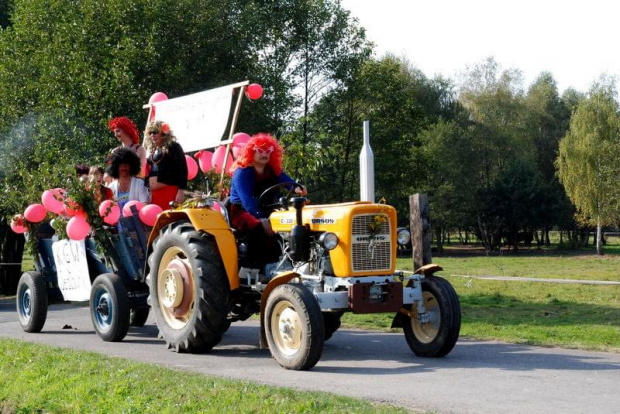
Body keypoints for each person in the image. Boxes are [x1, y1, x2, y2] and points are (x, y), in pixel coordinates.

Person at [229, 133, 306, 266]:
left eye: (268, 151)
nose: (264, 154)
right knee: (258, 228)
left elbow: (288, 182)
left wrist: (298, 188)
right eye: (260, 150)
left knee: (293, 224)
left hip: (268, 210)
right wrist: (262, 220)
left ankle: (293, 261)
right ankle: (256, 267)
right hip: (242, 211)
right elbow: (247, 201)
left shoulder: (272, 170)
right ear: (251, 152)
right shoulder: (242, 172)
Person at [144, 120, 187, 210]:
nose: (152, 135)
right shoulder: (153, 151)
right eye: (150, 133)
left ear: (163, 133)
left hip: (170, 191)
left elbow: (183, 169)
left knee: (169, 219)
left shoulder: (174, 146)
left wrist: (181, 191)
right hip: (155, 194)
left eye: (155, 132)